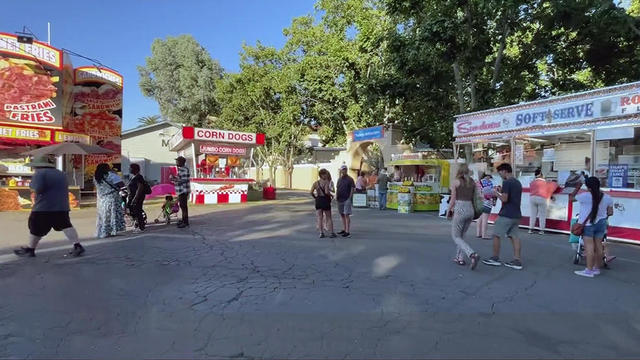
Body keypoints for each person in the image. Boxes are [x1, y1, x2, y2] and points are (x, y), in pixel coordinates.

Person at [14, 156, 85, 258]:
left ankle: (30, 249)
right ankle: (77, 245)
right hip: (62, 206)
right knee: (66, 225)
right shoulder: (61, 173)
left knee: (35, 227)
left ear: (38, 166)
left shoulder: (40, 173)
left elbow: (37, 189)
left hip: (44, 206)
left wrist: (32, 187)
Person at [482, 163, 524, 270]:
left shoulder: (507, 182)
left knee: (496, 235)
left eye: (500, 172)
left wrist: (496, 193)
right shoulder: (517, 182)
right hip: (516, 214)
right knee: (514, 237)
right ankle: (517, 260)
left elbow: (505, 199)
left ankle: (495, 258)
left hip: (506, 213)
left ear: (504, 171)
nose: (500, 175)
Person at [570, 177, 613, 278]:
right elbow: (610, 212)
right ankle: (596, 268)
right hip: (601, 223)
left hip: (588, 224)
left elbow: (571, 199)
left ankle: (588, 270)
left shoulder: (584, 196)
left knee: (589, 247)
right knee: (598, 245)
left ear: (588, 187)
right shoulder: (607, 197)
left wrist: (577, 187)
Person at [447, 164, 481, 270]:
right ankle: (459, 258)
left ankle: (471, 254)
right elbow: (476, 197)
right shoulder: (472, 182)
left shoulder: (456, 182)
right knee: (462, 235)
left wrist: (448, 210)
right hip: (470, 209)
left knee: (456, 236)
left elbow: (453, 199)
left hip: (460, 208)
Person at [94, 163, 126, 238]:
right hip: (112, 198)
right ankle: (109, 231)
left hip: (101, 200)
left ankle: (102, 231)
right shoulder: (111, 176)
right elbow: (122, 185)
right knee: (111, 215)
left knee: (103, 216)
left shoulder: (96, 177)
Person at [528, 168, 558, 234]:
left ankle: (530, 229)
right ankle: (541, 230)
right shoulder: (545, 182)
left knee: (533, 214)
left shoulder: (532, 182)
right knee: (542, 215)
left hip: (532, 198)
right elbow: (555, 185)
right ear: (541, 174)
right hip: (542, 198)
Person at [311, 169, 336, 238]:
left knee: (320, 217)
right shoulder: (326, 182)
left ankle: (321, 233)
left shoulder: (315, 183)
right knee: (328, 217)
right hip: (325, 200)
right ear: (322, 175)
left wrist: (315, 197)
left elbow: (311, 192)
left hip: (318, 200)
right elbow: (327, 192)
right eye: (325, 174)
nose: (326, 175)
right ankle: (331, 232)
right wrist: (331, 195)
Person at [171, 156, 191, 228]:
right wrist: (174, 178)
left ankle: (185, 222)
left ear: (181, 162)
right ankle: (183, 220)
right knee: (182, 206)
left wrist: (174, 179)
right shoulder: (181, 169)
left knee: (183, 207)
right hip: (181, 190)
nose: (176, 163)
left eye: (177, 161)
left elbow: (184, 180)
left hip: (183, 190)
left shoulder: (183, 169)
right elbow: (181, 179)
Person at [127, 163, 147, 233]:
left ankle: (141, 226)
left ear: (134, 169)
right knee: (132, 210)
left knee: (137, 210)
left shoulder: (139, 177)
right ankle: (138, 224)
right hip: (131, 196)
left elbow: (140, 187)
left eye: (130, 168)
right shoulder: (132, 177)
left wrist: (135, 198)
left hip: (137, 197)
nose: (129, 169)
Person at [336, 165, 355, 237]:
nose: (343, 171)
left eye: (344, 169)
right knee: (342, 214)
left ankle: (347, 231)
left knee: (346, 214)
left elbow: (352, 188)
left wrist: (350, 197)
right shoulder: (339, 179)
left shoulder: (350, 179)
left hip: (346, 198)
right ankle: (344, 229)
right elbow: (338, 188)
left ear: (346, 170)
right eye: (342, 170)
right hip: (340, 199)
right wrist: (336, 196)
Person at [476, 173, 495, 239]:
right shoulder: (489, 183)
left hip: (479, 202)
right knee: (485, 219)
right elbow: (492, 192)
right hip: (487, 202)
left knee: (480, 218)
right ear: (488, 176)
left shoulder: (478, 182)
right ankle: (484, 235)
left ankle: (478, 233)